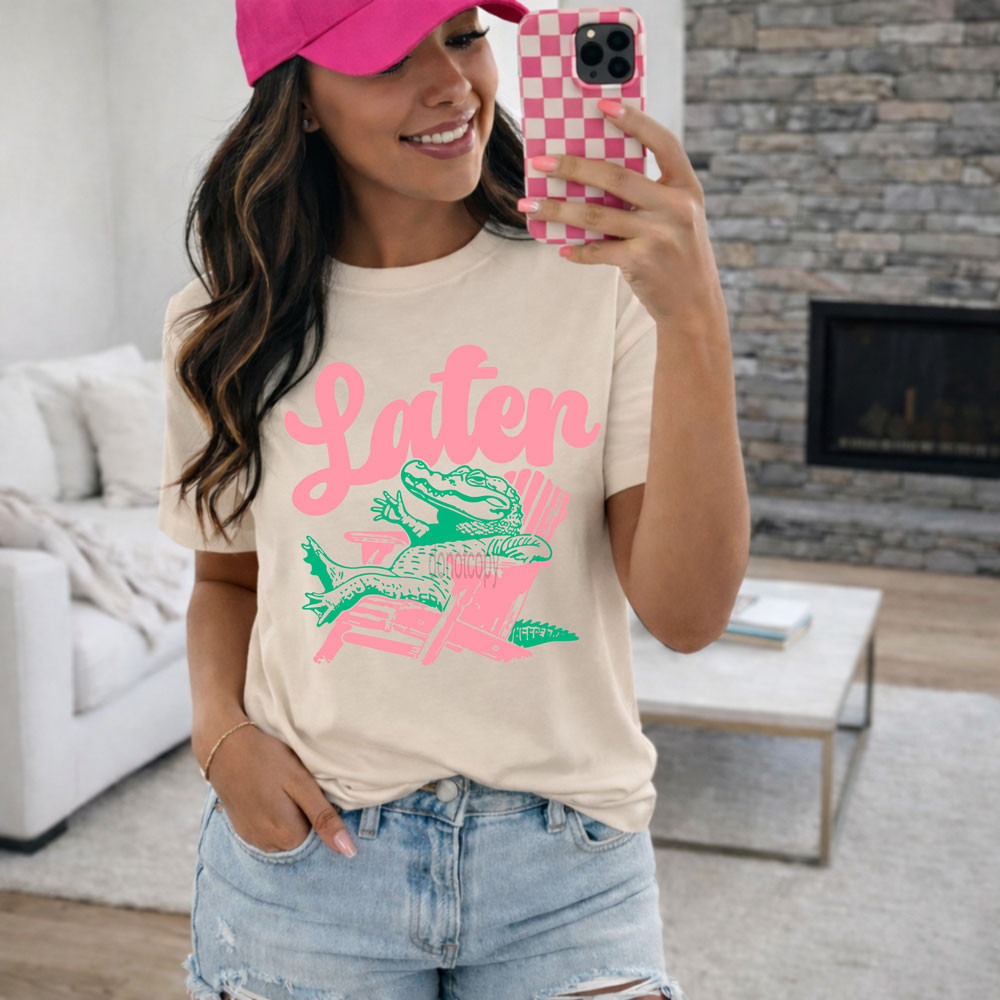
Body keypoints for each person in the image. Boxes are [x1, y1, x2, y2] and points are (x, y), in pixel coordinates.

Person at [160, 1, 747, 997]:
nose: (451, 84)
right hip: (313, 862)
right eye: (388, 54)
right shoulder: (223, 329)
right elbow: (228, 582)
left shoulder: (601, 279)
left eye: (465, 34)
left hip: (566, 863)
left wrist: (695, 319)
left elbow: (687, 616)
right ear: (299, 99)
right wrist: (221, 742)